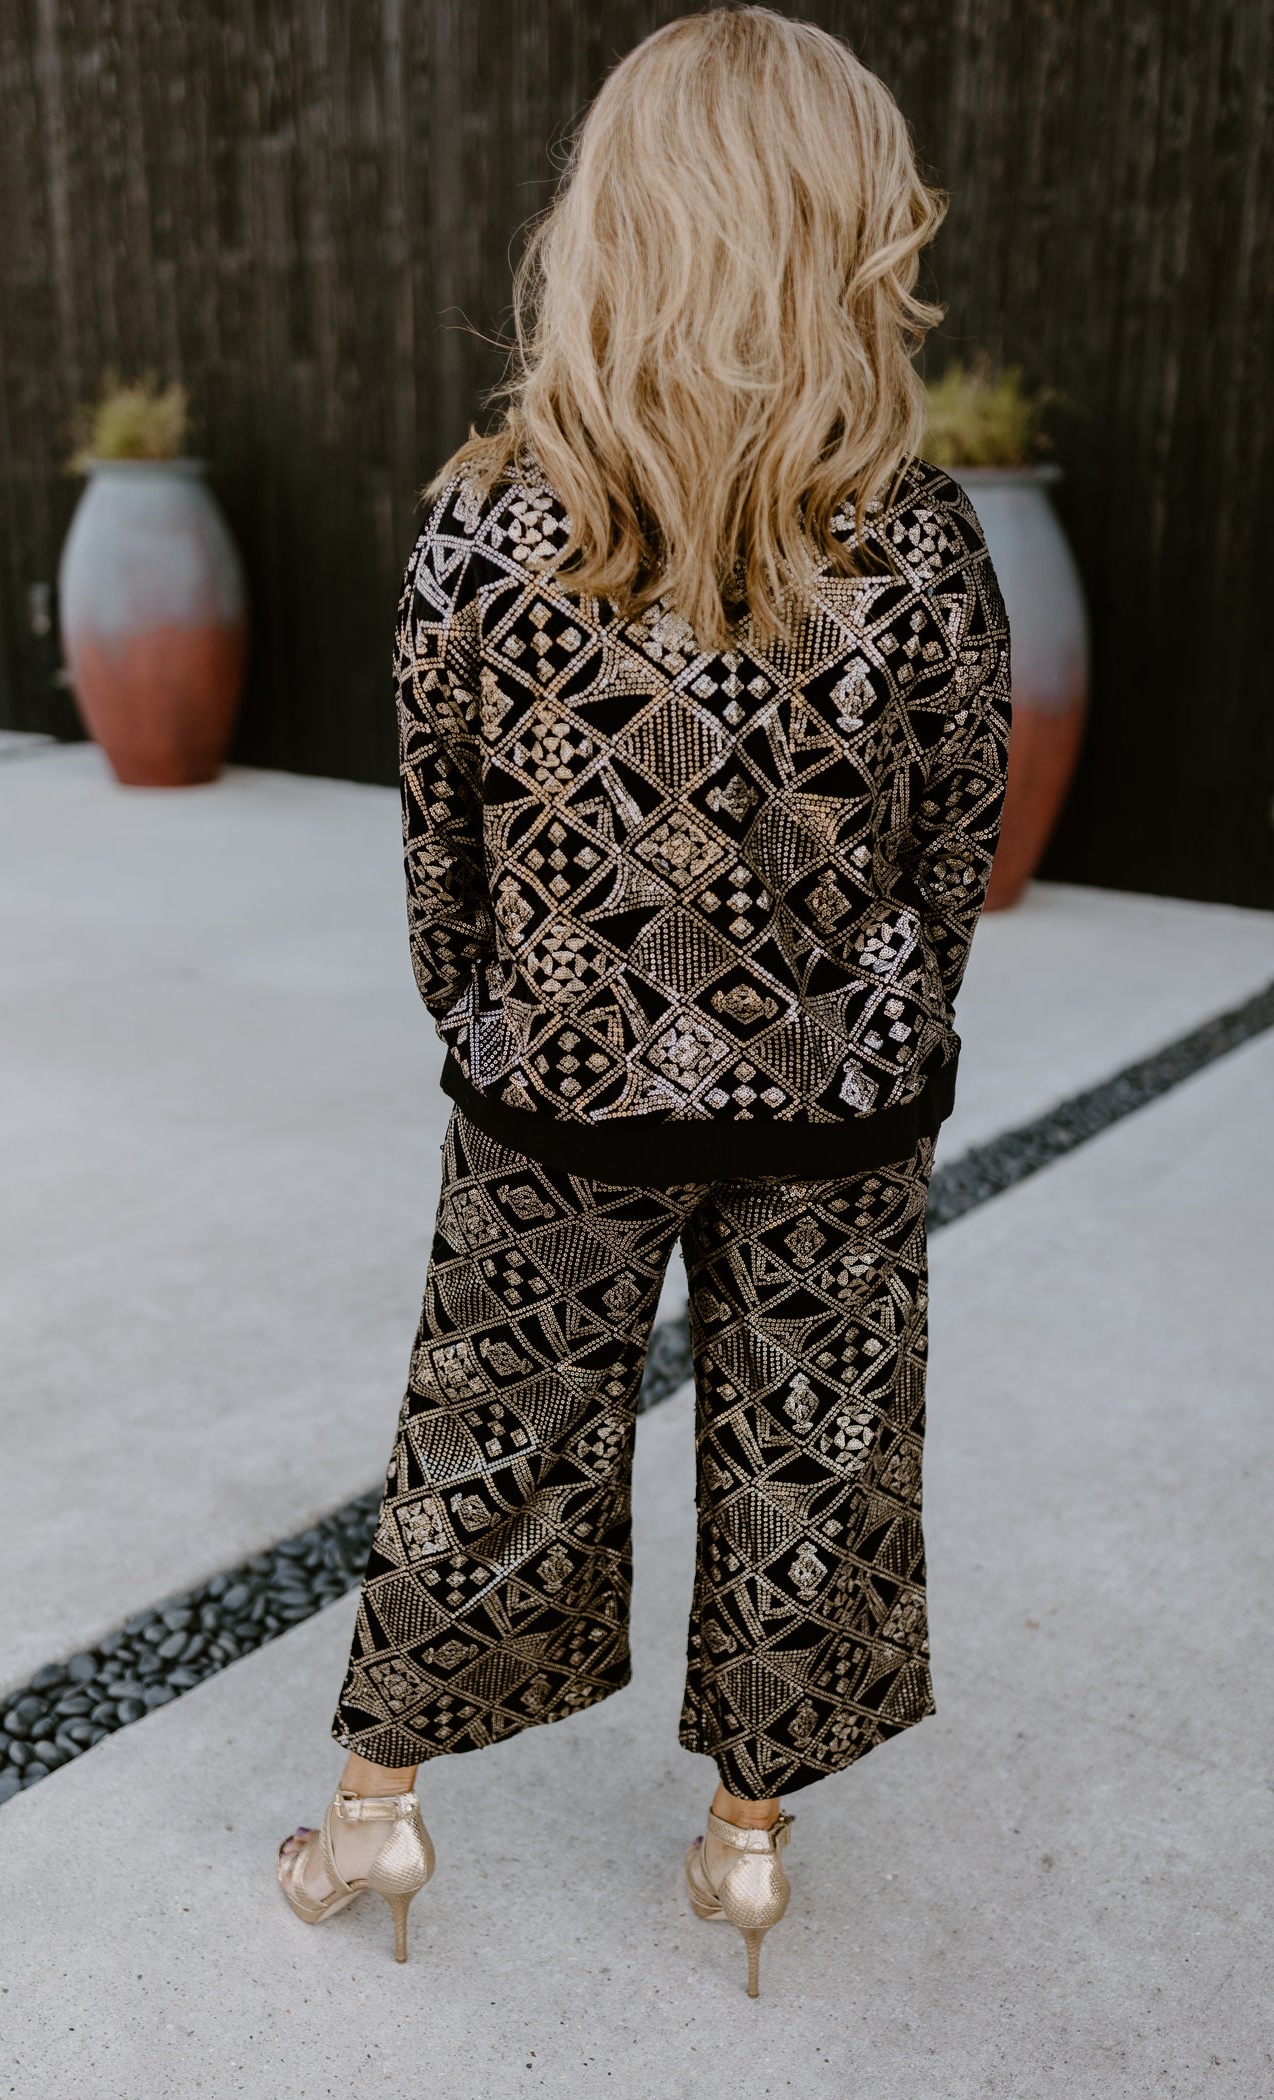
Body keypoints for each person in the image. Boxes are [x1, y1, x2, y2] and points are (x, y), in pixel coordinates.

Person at [278, 5, 1009, 1998]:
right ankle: (750, 1848)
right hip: (836, 1103)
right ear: (844, 235)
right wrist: (875, 1028)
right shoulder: (924, 547)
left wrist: (500, 1020)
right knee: (816, 1458)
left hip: (561, 1096)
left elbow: (437, 838)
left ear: (612, 228)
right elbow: (958, 847)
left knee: (486, 1447)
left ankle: (377, 1811)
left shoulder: (488, 537)